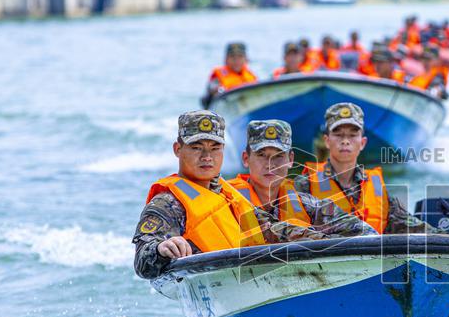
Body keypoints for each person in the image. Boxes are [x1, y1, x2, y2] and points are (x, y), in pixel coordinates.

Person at [132, 112, 326, 279]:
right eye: (197, 147)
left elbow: (270, 229)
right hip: (216, 284)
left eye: (215, 148)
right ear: (178, 149)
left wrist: (327, 238)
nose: (207, 156)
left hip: (255, 280)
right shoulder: (167, 203)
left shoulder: (228, 195)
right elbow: (142, 262)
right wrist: (161, 249)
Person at [295, 103, 438, 234]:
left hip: (372, 259)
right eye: (338, 135)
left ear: (362, 143)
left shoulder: (376, 186)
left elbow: (406, 224)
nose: (345, 141)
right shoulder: (305, 183)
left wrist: (446, 236)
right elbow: (293, 230)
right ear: (327, 141)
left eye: (353, 135)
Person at [228, 119, 377, 237]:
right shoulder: (228, 201)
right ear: (246, 158)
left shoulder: (306, 204)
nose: (270, 164)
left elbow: (360, 229)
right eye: (261, 155)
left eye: (279, 156)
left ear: (290, 159)